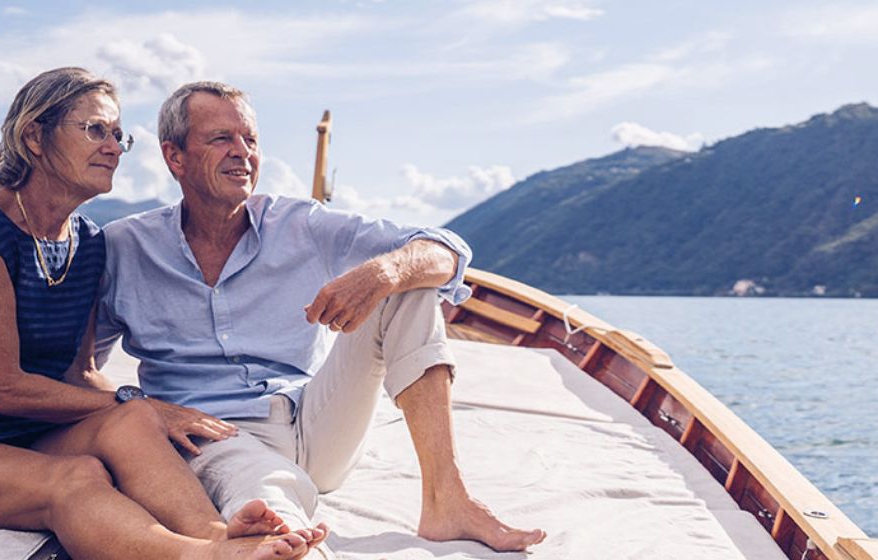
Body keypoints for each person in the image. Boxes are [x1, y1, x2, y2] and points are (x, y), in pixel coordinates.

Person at [0, 67, 324, 560]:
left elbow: (81, 374)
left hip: (20, 436)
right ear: (34, 136)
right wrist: (144, 402)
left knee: (131, 422)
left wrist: (144, 410)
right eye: (96, 129)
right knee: (78, 475)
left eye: (119, 135)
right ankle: (196, 557)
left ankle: (214, 534)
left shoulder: (89, 243)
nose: (115, 147)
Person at [93, 81, 547, 552]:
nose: (242, 153)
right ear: (175, 157)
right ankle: (287, 538)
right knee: (264, 491)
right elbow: (78, 372)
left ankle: (446, 500)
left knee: (407, 287)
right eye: (221, 138)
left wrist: (385, 270)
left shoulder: (300, 225)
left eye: (250, 139)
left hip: (316, 422)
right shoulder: (125, 248)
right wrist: (140, 404)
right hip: (214, 434)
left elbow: (447, 252)